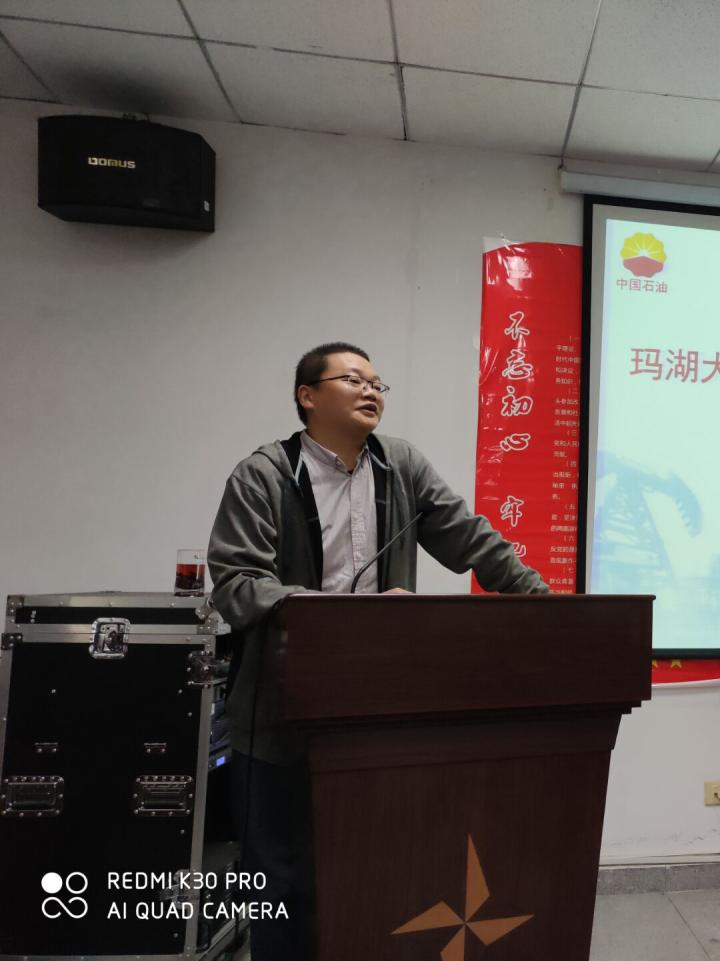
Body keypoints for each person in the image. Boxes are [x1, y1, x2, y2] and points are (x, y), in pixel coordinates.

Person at [207, 342, 547, 960]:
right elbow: (236, 585)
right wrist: (332, 613)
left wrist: (546, 604)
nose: (371, 391)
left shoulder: (401, 466)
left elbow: (472, 540)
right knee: (280, 879)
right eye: (353, 379)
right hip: (280, 711)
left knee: (375, 868)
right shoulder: (263, 475)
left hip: (379, 709)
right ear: (308, 396)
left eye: (377, 383)